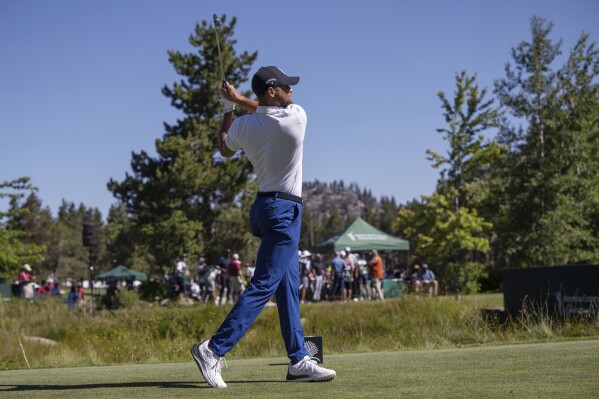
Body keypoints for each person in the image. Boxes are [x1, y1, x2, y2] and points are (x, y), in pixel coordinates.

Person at [190, 66, 335, 388]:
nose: (292, 91)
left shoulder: (244, 125)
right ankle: (212, 349)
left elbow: (224, 148)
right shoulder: (296, 116)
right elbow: (268, 113)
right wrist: (239, 99)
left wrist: (228, 108)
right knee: (265, 283)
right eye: (286, 86)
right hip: (284, 210)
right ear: (272, 90)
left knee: (287, 285)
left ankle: (298, 359)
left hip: (264, 208)